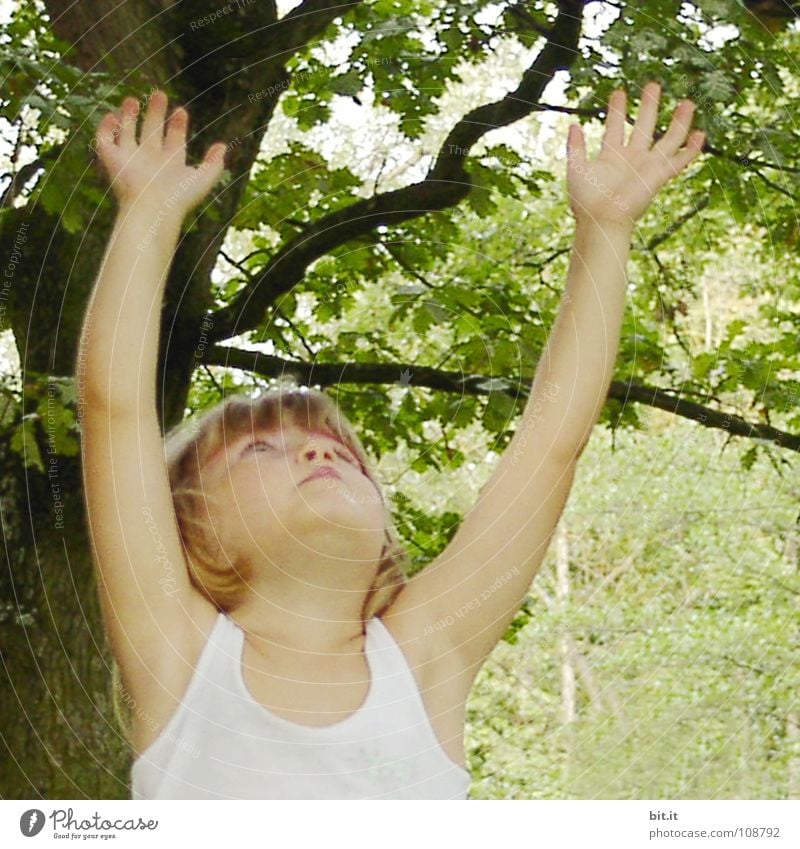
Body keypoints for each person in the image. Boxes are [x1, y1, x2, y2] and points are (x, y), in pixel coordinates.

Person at [78, 83, 705, 799]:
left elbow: (551, 442)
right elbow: (116, 409)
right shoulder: (179, 654)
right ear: (193, 532)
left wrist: (607, 229)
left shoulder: (423, 658)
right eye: (260, 449)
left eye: (339, 449)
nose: (318, 451)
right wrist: (150, 217)